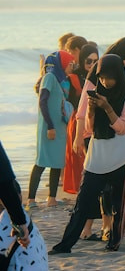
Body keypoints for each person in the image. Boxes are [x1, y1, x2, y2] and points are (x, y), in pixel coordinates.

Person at [49, 54, 125, 254]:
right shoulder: (95, 93)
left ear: (119, 75)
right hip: (97, 155)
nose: (105, 81)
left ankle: (114, 243)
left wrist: (107, 107)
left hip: (121, 156)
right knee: (82, 204)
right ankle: (65, 245)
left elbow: (122, 127)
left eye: (110, 77)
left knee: (118, 207)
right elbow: (90, 127)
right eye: (102, 77)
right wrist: (91, 111)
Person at [72, 36, 125, 240]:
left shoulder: (120, 85)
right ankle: (90, 228)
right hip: (94, 136)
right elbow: (83, 108)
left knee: (108, 188)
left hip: (112, 139)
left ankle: (107, 227)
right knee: (95, 188)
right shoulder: (99, 75)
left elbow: (124, 120)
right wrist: (78, 136)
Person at [27, 50, 75, 209]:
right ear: (62, 64)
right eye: (70, 64)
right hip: (50, 128)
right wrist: (50, 125)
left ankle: (52, 198)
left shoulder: (62, 80)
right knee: (41, 162)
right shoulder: (50, 77)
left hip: (59, 129)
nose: (72, 67)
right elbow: (42, 101)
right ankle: (31, 200)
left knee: (56, 163)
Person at [63, 44, 99, 195]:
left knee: (93, 158)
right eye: (88, 61)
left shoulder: (100, 75)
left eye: (95, 61)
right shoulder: (73, 77)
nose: (91, 65)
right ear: (83, 60)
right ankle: (83, 193)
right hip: (79, 120)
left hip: (94, 120)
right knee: (81, 159)